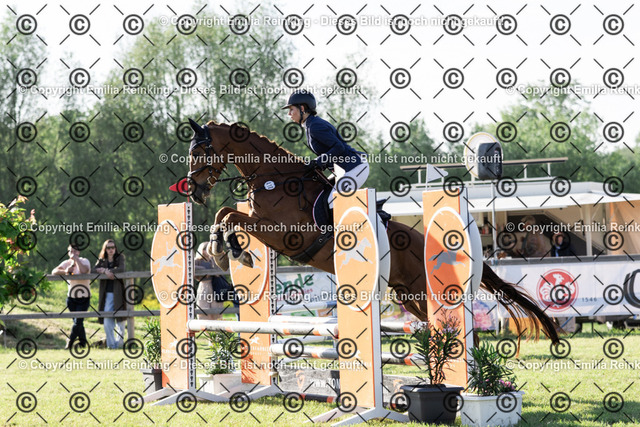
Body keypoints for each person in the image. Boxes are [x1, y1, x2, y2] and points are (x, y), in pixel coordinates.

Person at [283, 89, 369, 209]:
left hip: (355, 167)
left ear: (302, 108)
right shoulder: (310, 125)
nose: (289, 114)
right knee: (322, 193)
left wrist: (318, 161)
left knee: (332, 201)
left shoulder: (315, 126)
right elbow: (330, 152)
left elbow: (339, 147)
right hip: (344, 169)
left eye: (291, 109)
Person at [52, 244, 92, 349]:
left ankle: (69, 342)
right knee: (78, 322)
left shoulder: (84, 261)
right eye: (70, 251)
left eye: (75, 251)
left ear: (79, 252)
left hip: (84, 297)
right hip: (71, 298)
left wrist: (76, 260)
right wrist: (65, 271)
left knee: (78, 321)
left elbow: (84, 271)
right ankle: (83, 343)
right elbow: (54, 271)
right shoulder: (66, 263)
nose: (73, 253)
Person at [94, 239, 126, 349]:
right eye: (108, 248)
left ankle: (120, 344)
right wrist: (104, 271)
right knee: (107, 320)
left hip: (119, 293)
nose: (111, 249)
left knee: (120, 320)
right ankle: (111, 345)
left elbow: (122, 269)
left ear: (115, 248)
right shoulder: (102, 260)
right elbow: (93, 270)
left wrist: (109, 271)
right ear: (105, 249)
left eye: (113, 247)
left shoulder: (120, 258)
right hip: (107, 294)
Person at [195, 242, 238, 320]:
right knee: (203, 305)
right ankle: (205, 325)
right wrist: (205, 271)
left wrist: (213, 258)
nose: (207, 251)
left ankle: (216, 325)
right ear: (202, 250)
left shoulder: (213, 259)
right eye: (205, 249)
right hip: (204, 285)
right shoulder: (198, 260)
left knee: (216, 306)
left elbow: (219, 269)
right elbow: (192, 268)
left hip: (215, 285)